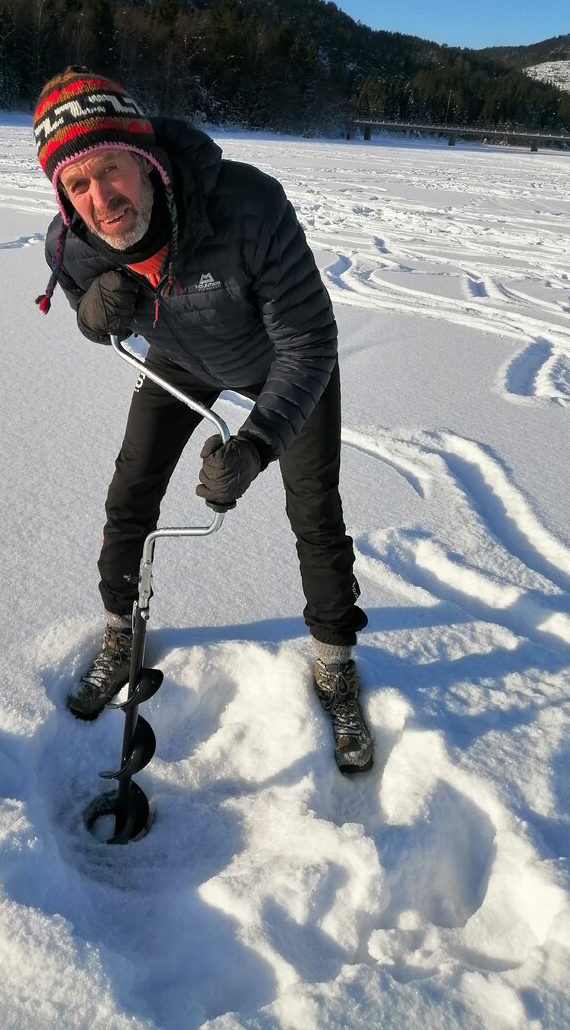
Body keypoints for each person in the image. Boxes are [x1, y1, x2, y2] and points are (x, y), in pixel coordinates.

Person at [33, 66, 373, 775]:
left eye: (111, 170)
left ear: (147, 160)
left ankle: (335, 662)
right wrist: (93, 317)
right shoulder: (71, 243)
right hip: (181, 359)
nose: (101, 200)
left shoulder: (248, 208)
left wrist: (255, 445)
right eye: (78, 185)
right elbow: (75, 296)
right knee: (131, 491)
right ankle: (121, 630)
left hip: (282, 363)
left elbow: (310, 343)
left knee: (314, 511)